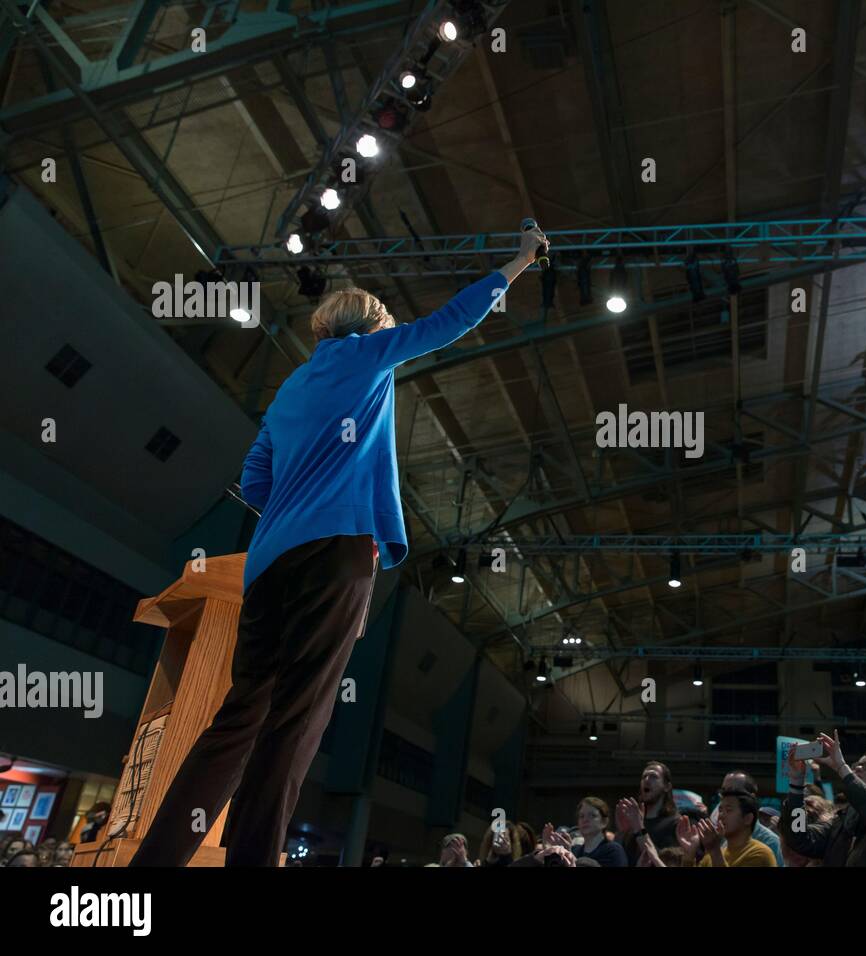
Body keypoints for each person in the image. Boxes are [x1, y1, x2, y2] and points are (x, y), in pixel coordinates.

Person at [128, 227, 547, 868]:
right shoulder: (369, 356)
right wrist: (517, 264)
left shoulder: (290, 389)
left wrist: (295, 514)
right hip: (336, 555)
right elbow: (450, 322)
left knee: (238, 719)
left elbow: (256, 480)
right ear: (370, 328)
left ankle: (148, 872)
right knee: (296, 720)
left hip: (269, 567)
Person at [779, 730, 866, 866]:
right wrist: (796, 782)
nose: (858, 769)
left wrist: (842, 767)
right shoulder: (840, 824)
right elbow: (799, 838)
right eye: (855, 766)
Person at [702, 770, 784, 865]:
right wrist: (689, 856)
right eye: (724, 791)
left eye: (735, 792)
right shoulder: (719, 840)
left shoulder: (769, 843)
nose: (726, 796)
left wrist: (715, 852)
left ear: (751, 798)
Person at [680, 789, 776, 867]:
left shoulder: (760, 854)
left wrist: (715, 850)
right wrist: (689, 857)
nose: (721, 815)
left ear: (747, 819)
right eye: (720, 810)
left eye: (728, 810)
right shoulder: (712, 855)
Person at [616, 761, 680, 856]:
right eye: (644, 777)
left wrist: (639, 829)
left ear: (666, 787)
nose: (647, 780)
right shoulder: (634, 821)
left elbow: (662, 861)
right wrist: (623, 833)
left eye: (653, 776)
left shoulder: (675, 822)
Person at [543, 800, 629, 867]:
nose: (585, 820)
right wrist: (549, 851)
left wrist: (570, 856)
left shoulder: (613, 850)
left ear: (604, 822)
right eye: (581, 816)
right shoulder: (575, 850)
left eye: (592, 815)